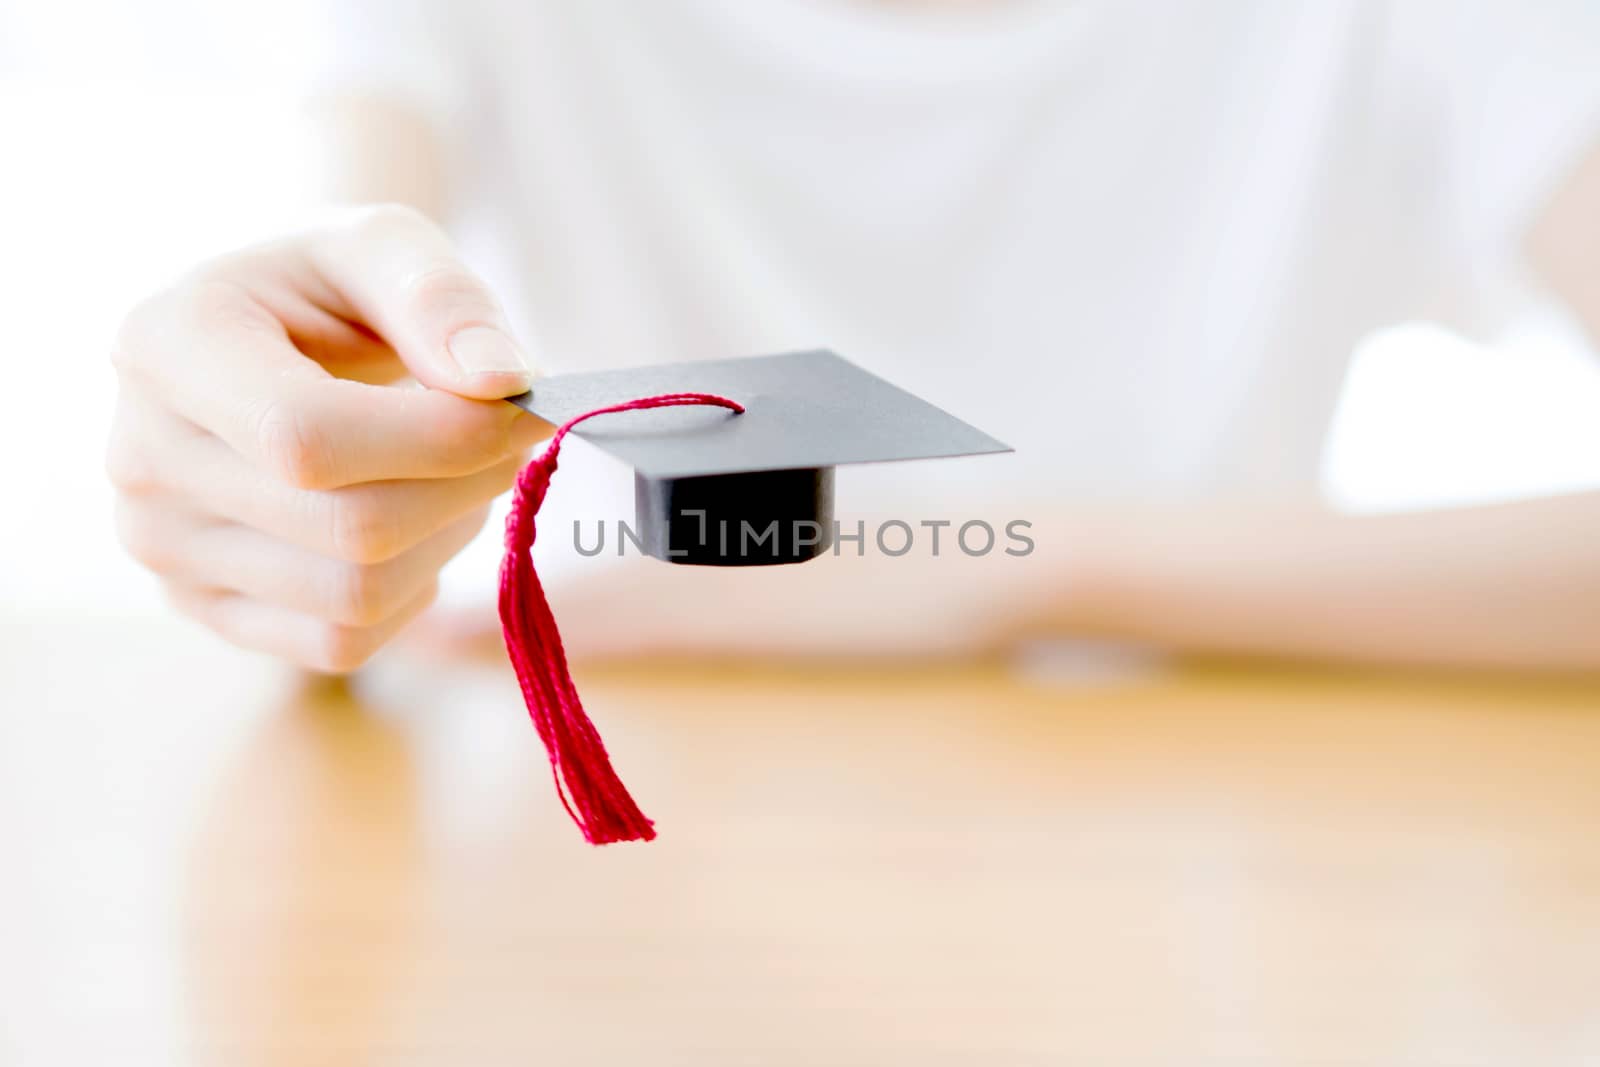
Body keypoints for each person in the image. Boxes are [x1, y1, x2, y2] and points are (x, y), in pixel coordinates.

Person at [107, 0, 1600, 673]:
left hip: (1214, 864)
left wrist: (1006, 570)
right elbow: (316, 347)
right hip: (614, 839)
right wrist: (268, 465)